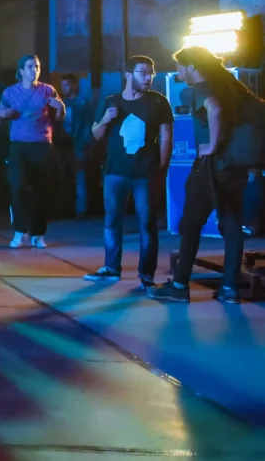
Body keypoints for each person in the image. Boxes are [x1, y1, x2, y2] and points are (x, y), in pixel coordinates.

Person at [150, 47, 254, 304]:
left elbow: (214, 110)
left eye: (180, 66)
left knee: (190, 224)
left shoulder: (204, 88)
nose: (178, 72)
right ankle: (229, 288)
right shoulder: (232, 87)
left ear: (192, 67)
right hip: (234, 168)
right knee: (231, 225)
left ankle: (179, 285)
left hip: (210, 167)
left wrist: (212, 145)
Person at [84, 56, 171, 289]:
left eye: (151, 72)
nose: (149, 77)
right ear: (128, 75)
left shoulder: (159, 102)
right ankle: (111, 268)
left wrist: (162, 169)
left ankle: (147, 275)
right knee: (112, 221)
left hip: (146, 173)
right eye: (143, 72)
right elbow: (96, 134)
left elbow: (166, 137)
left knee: (147, 224)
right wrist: (105, 118)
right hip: (115, 172)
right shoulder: (111, 102)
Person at [0, 54, 64, 249]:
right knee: (18, 187)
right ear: (22, 71)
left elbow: (60, 117)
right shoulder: (10, 92)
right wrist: (3, 114)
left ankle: (38, 234)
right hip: (19, 146)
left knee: (42, 191)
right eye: (30, 66)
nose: (35, 70)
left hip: (42, 145)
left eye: (37, 66)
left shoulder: (48, 90)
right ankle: (20, 231)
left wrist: (60, 107)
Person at [57, 73, 95, 219]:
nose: (64, 88)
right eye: (62, 85)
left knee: (80, 177)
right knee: (66, 176)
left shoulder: (83, 103)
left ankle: (81, 210)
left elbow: (88, 125)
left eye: (66, 85)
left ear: (74, 85)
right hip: (65, 144)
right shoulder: (62, 103)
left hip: (78, 145)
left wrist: (85, 145)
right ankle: (68, 208)